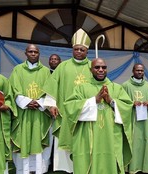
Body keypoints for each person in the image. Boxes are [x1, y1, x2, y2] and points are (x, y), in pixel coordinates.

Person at [63, 58, 133, 174]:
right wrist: (94, 100)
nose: (101, 70)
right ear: (91, 70)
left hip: (111, 136)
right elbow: (70, 107)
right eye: (97, 67)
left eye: (103, 67)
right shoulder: (81, 88)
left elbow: (127, 107)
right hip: (88, 136)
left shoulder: (116, 88)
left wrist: (111, 101)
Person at [43, 28, 92, 172]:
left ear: (87, 51)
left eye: (82, 50)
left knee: (85, 141)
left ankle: (85, 167)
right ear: (72, 49)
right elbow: (53, 85)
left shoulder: (92, 67)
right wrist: (51, 104)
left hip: (87, 112)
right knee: (66, 142)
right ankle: (67, 169)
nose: (79, 52)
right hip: (66, 112)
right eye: (76, 49)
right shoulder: (63, 66)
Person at [9, 44, 51, 173]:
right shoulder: (18, 69)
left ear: (39, 54)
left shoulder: (45, 71)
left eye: (36, 52)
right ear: (25, 53)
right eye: (30, 52)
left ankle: (39, 170)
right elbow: (13, 88)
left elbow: (50, 90)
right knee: (24, 139)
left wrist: (40, 102)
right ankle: (23, 170)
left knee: (38, 140)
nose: (33, 54)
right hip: (23, 113)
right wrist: (26, 102)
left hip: (40, 114)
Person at [122, 63, 148, 174]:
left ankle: (146, 167)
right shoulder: (125, 86)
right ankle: (131, 167)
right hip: (132, 120)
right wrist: (132, 103)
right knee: (133, 143)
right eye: (137, 70)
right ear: (133, 71)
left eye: (141, 70)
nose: (140, 72)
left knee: (146, 142)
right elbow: (121, 101)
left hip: (146, 121)